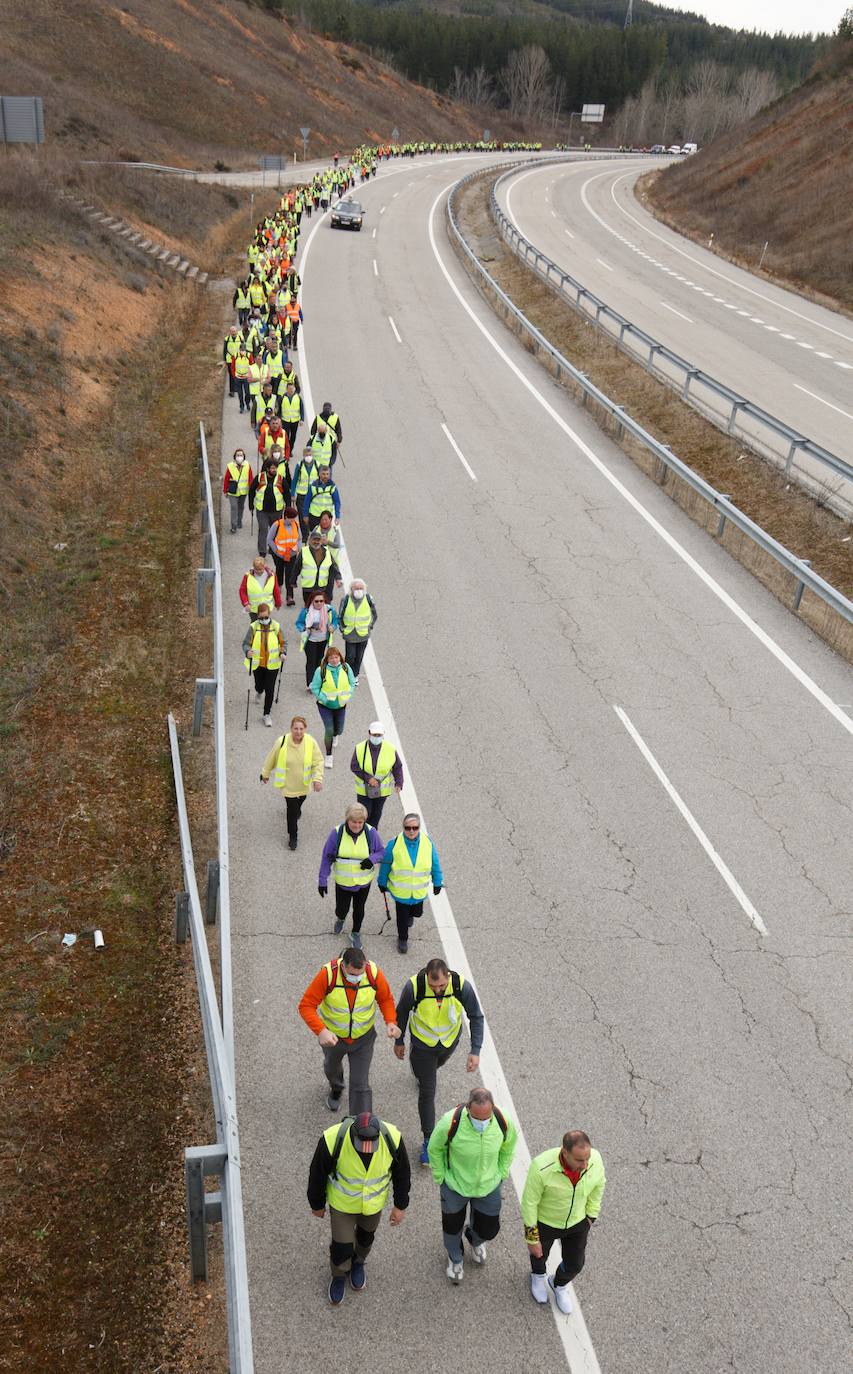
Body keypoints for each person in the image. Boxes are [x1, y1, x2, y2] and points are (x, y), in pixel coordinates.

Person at [307, 1110, 410, 1306]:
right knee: (342, 1245)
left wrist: (400, 1205)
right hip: (342, 1204)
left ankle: (358, 1262)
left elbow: (402, 1174)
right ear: (353, 1135)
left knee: (365, 1238)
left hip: (373, 1205)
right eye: (361, 1144)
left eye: (371, 1145)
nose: (366, 1149)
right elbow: (317, 1174)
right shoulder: (331, 1138)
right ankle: (338, 1275)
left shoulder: (393, 1138)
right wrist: (317, 1204)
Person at [395, 957, 484, 1165]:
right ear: (427, 977)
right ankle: (429, 1140)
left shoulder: (461, 987)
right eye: (434, 986)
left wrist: (475, 1050)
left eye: (442, 985)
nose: (437, 990)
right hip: (422, 1046)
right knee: (428, 1091)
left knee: (433, 1072)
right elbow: (401, 1013)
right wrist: (399, 1040)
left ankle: (424, 1075)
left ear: (448, 977)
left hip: (448, 1043)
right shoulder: (414, 987)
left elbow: (476, 1017)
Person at [427, 1088, 518, 1284]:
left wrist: (502, 1173)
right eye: (477, 1117)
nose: (482, 1122)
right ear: (468, 1108)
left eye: (486, 1117)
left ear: (493, 1109)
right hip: (455, 1186)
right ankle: (455, 1258)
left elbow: (509, 1146)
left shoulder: (503, 1121)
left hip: (488, 1186)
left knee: (489, 1229)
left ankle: (475, 1239)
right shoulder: (450, 1122)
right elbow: (434, 1148)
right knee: (452, 1228)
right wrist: (440, 1176)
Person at [298, 946, 401, 1114]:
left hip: (363, 1039)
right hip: (333, 1039)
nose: (357, 978)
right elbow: (306, 1006)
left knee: (360, 1084)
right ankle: (336, 1088)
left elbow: (385, 998)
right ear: (343, 966)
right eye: (353, 974)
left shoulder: (373, 973)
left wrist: (390, 1021)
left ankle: (360, 1126)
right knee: (332, 1068)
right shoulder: (328, 975)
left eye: (360, 974)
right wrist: (321, 1031)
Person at [521, 1129, 606, 1312]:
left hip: (578, 1222)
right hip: (547, 1222)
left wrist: (591, 1215)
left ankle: (558, 1284)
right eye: (579, 1160)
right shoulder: (541, 1167)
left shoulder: (595, 1160)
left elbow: (599, 1184)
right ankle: (538, 1276)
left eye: (587, 1158)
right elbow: (529, 1203)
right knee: (539, 1254)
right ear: (565, 1152)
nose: (585, 1164)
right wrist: (532, 1238)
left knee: (576, 1263)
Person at [318, 803, 384, 950]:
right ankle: (341, 918)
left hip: (363, 883)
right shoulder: (336, 834)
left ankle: (355, 933)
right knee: (342, 909)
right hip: (343, 883)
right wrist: (322, 880)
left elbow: (381, 851)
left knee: (359, 909)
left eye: (360, 822)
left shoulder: (371, 832)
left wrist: (371, 860)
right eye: (354, 822)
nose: (357, 825)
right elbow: (326, 858)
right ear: (348, 820)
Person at [377, 815, 443, 954]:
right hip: (401, 893)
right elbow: (385, 865)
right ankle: (402, 939)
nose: (411, 831)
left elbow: (435, 863)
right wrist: (381, 882)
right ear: (403, 828)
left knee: (417, 913)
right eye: (408, 828)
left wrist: (437, 882)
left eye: (415, 828)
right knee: (402, 920)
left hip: (418, 892)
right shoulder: (394, 844)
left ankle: (411, 915)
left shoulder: (427, 843)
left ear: (419, 828)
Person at [260, 714, 324, 850]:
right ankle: (293, 836)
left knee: (299, 805)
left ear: (305, 729)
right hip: (288, 786)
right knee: (292, 812)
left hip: (304, 785)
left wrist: (317, 779)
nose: (298, 732)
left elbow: (318, 761)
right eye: (296, 728)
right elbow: (271, 758)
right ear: (291, 729)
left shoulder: (310, 742)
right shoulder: (281, 742)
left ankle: (298, 810)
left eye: (301, 729)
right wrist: (265, 774)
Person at [310, 643, 356, 769]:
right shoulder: (321, 671)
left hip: (341, 705)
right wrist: (324, 699)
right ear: (327, 659)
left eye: (336, 657)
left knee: (339, 729)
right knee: (329, 730)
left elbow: (352, 683)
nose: (334, 660)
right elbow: (314, 687)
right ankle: (329, 756)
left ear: (340, 658)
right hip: (325, 706)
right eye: (331, 658)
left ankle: (336, 734)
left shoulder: (346, 668)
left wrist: (348, 695)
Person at [350, 722, 402, 828]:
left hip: (382, 790)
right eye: (374, 735)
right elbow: (354, 766)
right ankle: (362, 831)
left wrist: (399, 783)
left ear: (383, 734)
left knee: (376, 814)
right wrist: (368, 779)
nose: (377, 737)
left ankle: (372, 835)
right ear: (369, 733)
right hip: (364, 789)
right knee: (365, 813)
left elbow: (397, 767)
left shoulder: (390, 749)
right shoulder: (360, 748)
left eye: (379, 735)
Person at [242, 603, 286, 727]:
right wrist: (247, 651)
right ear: (257, 617)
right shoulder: (253, 627)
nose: (263, 620)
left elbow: (284, 642)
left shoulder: (276, 626)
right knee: (259, 685)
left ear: (269, 615)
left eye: (265, 617)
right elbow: (245, 643)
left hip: (273, 665)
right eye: (261, 618)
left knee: (270, 689)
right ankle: (259, 691)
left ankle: (266, 714)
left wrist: (283, 652)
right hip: (258, 664)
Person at [296, 593, 339, 689]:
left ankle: (317, 680)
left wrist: (333, 626)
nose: (319, 603)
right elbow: (299, 623)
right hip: (310, 639)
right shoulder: (306, 611)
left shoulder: (329, 610)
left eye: (321, 601)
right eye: (316, 601)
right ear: (312, 601)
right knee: (311, 661)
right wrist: (304, 628)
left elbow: (336, 621)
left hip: (323, 639)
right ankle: (310, 683)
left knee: (319, 660)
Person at [249, 456, 289, 558]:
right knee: (263, 529)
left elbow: (287, 495)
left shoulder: (281, 479)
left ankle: (272, 548)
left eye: (275, 468)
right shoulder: (259, 478)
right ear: (267, 468)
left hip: (276, 510)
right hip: (262, 510)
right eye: (272, 468)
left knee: (275, 530)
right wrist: (250, 504)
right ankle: (262, 551)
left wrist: (288, 509)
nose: (274, 470)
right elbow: (251, 490)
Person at [338, 578, 376, 681]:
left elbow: (374, 614)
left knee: (359, 657)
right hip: (350, 634)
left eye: (361, 588)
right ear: (351, 589)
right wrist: (342, 629)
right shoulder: (346, 599)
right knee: (350, 656)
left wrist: (370, 627)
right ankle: (347, 674)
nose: (359, 590)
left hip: (363, 634)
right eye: (356, 588)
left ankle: (355, 675)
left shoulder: (368, 599)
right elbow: (340, 615)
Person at [294, 529, 342, 606]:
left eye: (318, 540)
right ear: (310, 540)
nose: (316, 542)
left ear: (321, 541)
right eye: (314, 540)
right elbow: (297, 567)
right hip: (308, 588)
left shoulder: (327, 552)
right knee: (308, 608)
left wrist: (338, 578)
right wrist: (293, 580)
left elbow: (333, 566)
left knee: (321, 608)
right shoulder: (304, 551)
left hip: (322, 587)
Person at [267, 503, 301, 606]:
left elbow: (299, 538)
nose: (293, 520)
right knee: (280, 570)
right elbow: (269, 539)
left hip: (291, 555)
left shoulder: (295, 524)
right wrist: (276, 550)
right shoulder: (277, 525)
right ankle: (278, 587)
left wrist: (297, 547)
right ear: (286, 517)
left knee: (290, 574)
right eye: (292, 518)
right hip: (279, 555)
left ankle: (289, 596)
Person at [239, 555, 281, 621]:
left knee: (266, 625)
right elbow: (242, 591)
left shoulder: (272, 575)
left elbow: (275, 590)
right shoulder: (247, 576)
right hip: (253, 609)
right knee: (255, 625)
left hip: (266, 608)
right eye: (256, 569)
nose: (258, 571)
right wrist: (246, 604)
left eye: (260, 569)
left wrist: (278, 603)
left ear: (264, 567)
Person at [222, 447, 253, 534]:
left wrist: (252, 489)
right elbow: (226, 479)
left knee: (241, 507)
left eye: (241, 455)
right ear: (235, 457)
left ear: (244, 456)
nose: (239, 457)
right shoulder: (230, 466)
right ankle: (233, 526)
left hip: (243, 491)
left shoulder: (247, 465)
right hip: (233, 491)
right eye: (238, 455)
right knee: (234, 507)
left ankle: (239, 521)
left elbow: (250, 478)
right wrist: (225, 490)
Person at [305, 465, 341, 532]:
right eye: (323, 474)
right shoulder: (313, 486)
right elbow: (307, 501)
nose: (325, 476)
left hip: (327, 517)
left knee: (327, 536)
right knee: (315, 537)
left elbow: (337, 502)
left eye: (327, 474)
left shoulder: (332, 487)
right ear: (319, 474)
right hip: (315, 516)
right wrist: (305, 515)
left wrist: (337, 516)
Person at [279, 380, 304, 455]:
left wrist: (302, 419)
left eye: (293, 389)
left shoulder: (298, 398)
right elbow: (278, 410)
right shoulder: (282, 398)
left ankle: (290, 450)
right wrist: (279, 419)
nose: (291, 390)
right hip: (285, 420)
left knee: (293, 437)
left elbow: (302, 409)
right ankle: (286, 450)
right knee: (286, 436)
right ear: (287, 389)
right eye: (290, 389)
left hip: (295, 421)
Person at [233, 344, 251, 413]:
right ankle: (241, 406)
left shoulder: (249, 355)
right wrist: (234, 376)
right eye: (241, 350)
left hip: (246, 377)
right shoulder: (235, 356)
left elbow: (251, 366)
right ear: (239, 350)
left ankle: (247, 403)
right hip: (238, 377)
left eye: (244, 350)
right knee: (240, 393)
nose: (243, 351)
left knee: (247, 393)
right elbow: (232, 366)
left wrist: (250, 376)